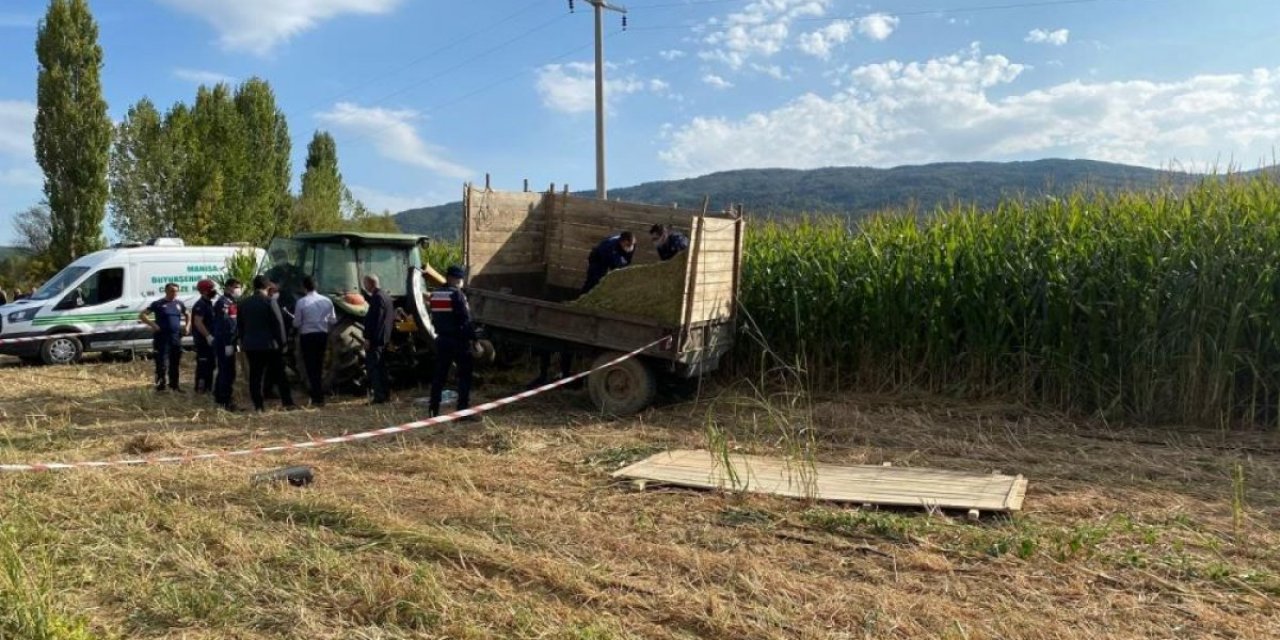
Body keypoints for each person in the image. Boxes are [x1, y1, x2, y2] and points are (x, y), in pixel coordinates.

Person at [237, 275, 296, 412]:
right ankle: (287, 403)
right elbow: (278, 323)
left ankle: (258, 406)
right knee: (280, 374)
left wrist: (243, 341)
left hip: (251, 345)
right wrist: (283, 343)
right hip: (270, 345)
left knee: (255, 376)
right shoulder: (270, 302)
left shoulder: (244, 303)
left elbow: (240, 325)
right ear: (267, 287)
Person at [428, 266, 477, 419]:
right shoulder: (457, 295)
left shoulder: (435, 294)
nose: (461, 282)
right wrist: (474, 340)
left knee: (439, 376)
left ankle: (433, 410)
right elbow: (465, 320)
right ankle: (462, 412)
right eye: (460, 279)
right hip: (458, 341)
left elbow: (434, 317)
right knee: (464, 376)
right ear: (453, 279)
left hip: (441, 339)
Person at [293, 275, 336, 407]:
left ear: (304, 287)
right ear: (316, 286)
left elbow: (296, 323)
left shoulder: (301, 302)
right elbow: (333, 320)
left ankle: (316, 397)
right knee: (319, 365)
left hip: (308, 336)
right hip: (322, 336)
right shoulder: (327, 301)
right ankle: (319, 395)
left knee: (310, 367)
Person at [138, 282, 189, 392]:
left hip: (175, 338)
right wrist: (153, 324)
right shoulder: (158, 304)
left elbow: (188, 314)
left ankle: (174, 386)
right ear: (166, 291)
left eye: (176, 291)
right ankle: (160, 387)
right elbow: (142, 315)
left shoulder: (179, 304)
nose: (174, 293)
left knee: (175, 363)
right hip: (162, 338)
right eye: (171, 291)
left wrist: (188, 326)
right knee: (161, 363)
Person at [362, 274, 395, 404]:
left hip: (376, 339)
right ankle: (385, 394)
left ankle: (379, 396)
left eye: (365, 284)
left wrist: (368, 338)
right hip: (384, 338)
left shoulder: (377, 298)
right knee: (382, 367)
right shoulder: (386, 296)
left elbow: (375, 321)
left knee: (374, 368)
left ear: (370, 284)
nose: (365, 287)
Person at [212, 279, 242, 410]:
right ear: (228, 287)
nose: (238, 290)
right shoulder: (223, 303)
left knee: (226, 369)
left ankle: (219, 396)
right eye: (236, 287)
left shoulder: (232, 302)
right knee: (227, 371)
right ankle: (225, 400)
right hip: (225, 342)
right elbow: (225, 324)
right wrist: (227, 343)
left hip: (229, 341)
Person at [190, 279, 219, 394]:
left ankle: (208, 387)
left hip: (209, 341)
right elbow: (198, 322)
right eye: (211, 289)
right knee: (203, 365)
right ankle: (200, 389)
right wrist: (208, 336)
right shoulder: (200, 305)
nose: (214, 291)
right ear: (205, 291)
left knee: (210, 365)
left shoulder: (208, 303)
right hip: (203, 341)